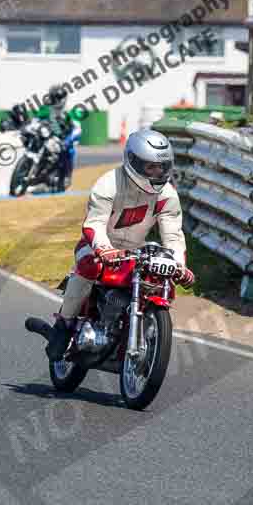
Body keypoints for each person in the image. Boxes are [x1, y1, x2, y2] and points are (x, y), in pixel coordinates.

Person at [45, 128, 195, 361]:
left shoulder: (168, 195)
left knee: (162, 280)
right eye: (150, 167)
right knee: (89, 265)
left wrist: (178, 265)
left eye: (162, 166)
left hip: (136, 249)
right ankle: (63, 326)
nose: (157, 172)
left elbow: (173, 236)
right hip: (97, 245)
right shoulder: (108, 184)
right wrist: (105, 249)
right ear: (133, 162)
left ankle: (141, 328)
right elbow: (93, 224)